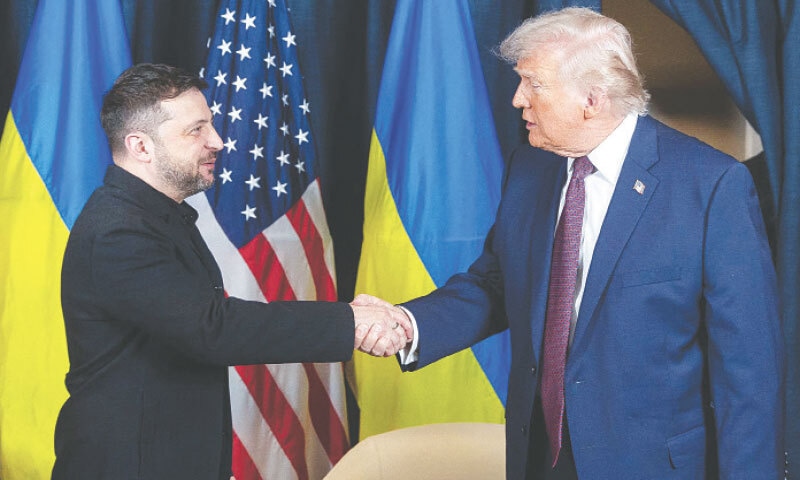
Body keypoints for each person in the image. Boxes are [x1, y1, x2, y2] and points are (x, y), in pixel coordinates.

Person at [354, 7, 784, 479]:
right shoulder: (529, 169)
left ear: (592, 99)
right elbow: (497, 284)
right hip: (541, 457)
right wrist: (409, 324)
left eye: (533, 84)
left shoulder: (710, 185)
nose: (518, 99)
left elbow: (748, 373)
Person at [52, 63, 411, 480]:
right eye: (196, 130)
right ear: (141, 146)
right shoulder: (118, 231)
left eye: (210, 125)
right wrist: (350, 321)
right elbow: (214, 329)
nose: (217, 141)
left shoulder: (157, 216)